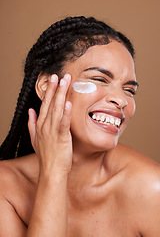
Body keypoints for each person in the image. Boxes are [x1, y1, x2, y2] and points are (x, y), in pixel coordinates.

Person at [0, 16, 159, 237]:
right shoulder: (4, 187)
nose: (121, 100)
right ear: (46, 86)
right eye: (100, 79)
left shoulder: (150, 189)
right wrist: (54, 172)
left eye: (129, 90)